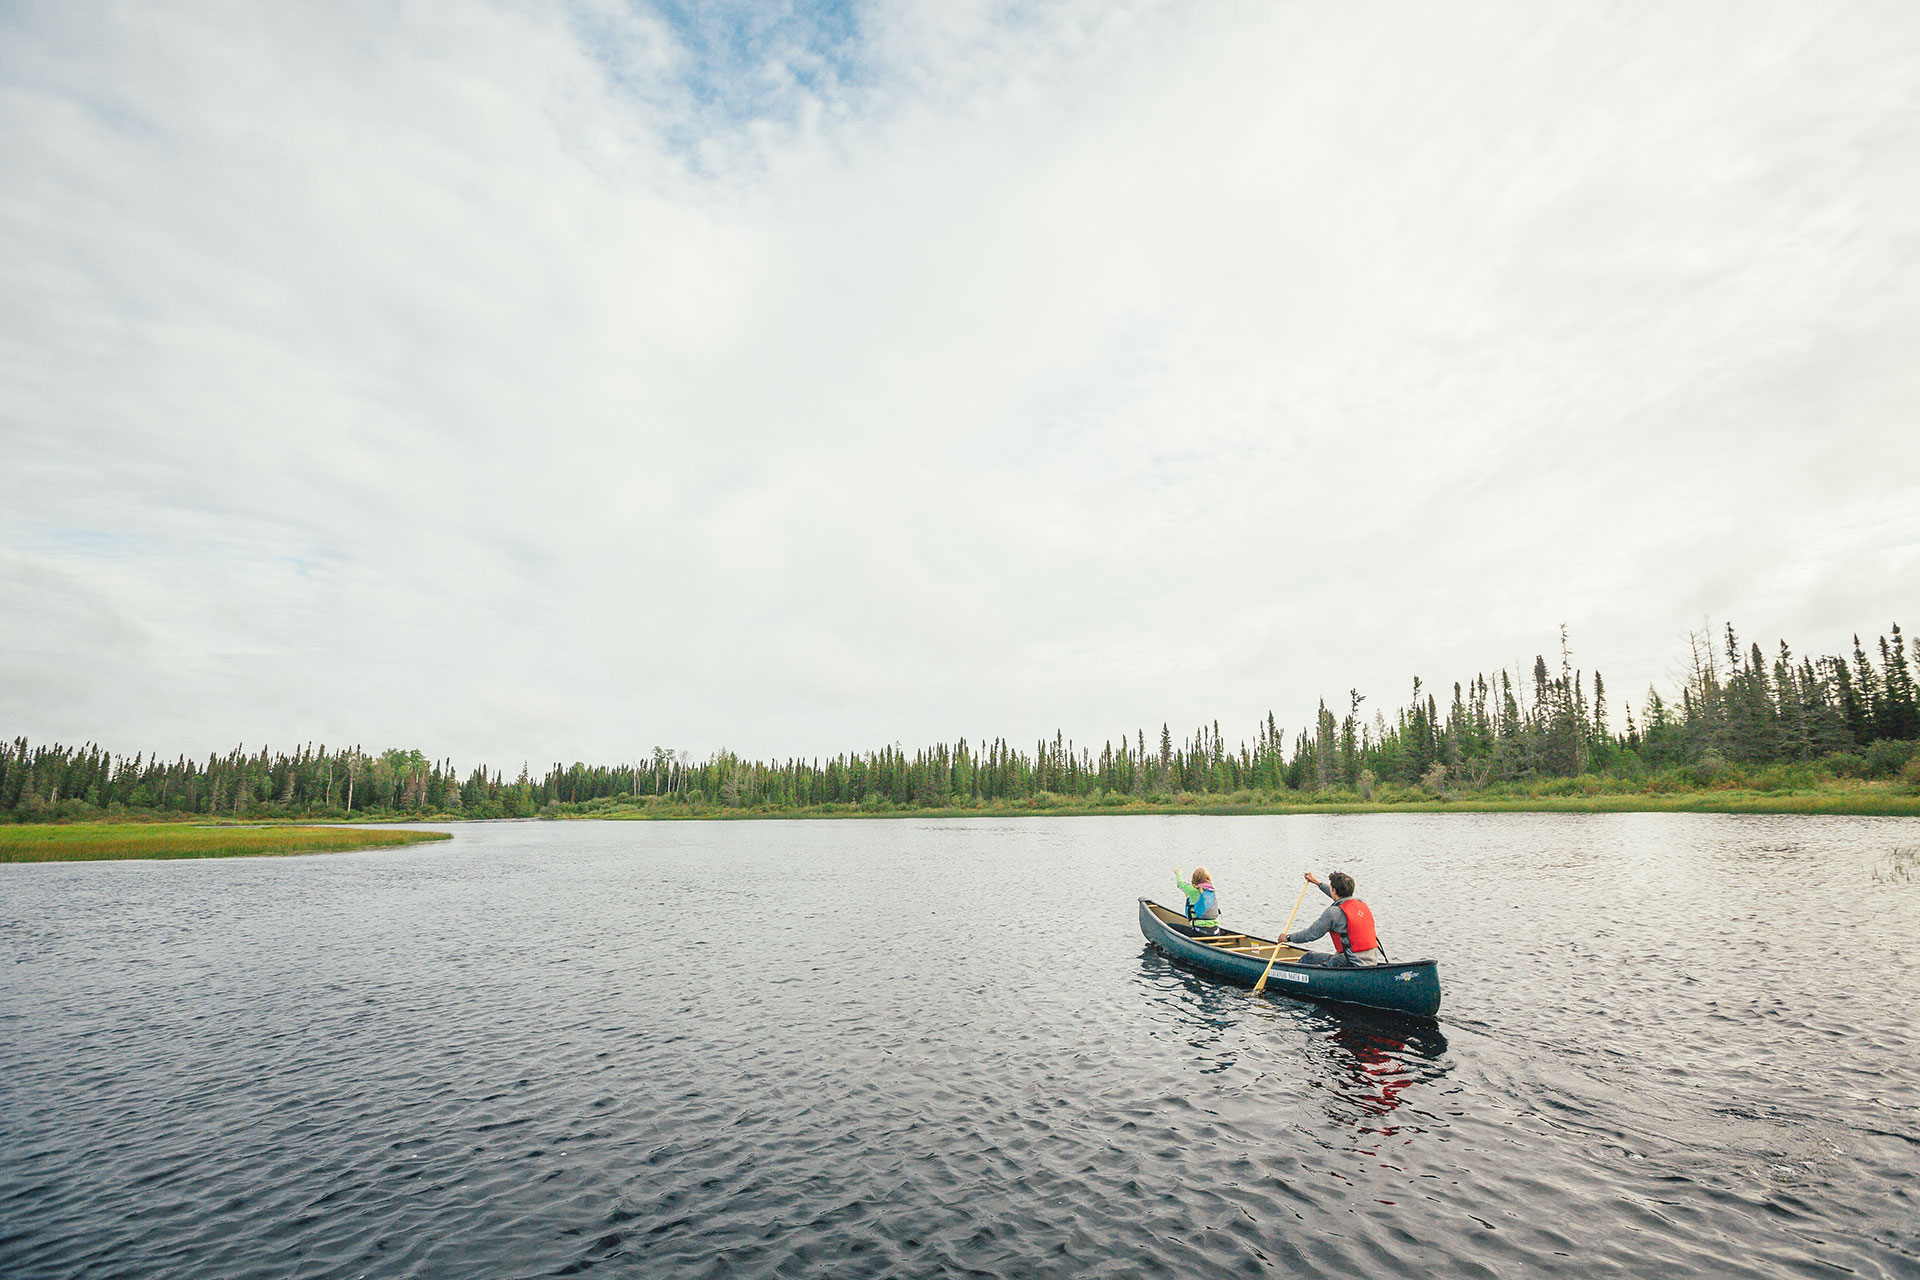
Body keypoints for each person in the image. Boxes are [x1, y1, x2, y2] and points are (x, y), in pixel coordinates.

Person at [1283, 870, 1386, 966]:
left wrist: (1288, 938)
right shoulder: (1360, 902)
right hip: (1371, 962)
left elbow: (1311, 934)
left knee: (1308, 957)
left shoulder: (1333, 913)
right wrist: (1317, 883)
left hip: (1352, 964)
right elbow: (1338, 896)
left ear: (1334, 890)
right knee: (1333, 957)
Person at [1173, 866, 1221, 934]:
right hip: (1216, 933)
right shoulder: (1211, 891)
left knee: (1170, 926)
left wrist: (1178, 873)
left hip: (1200, 933)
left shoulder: (1194, 890)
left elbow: (1180, 884)